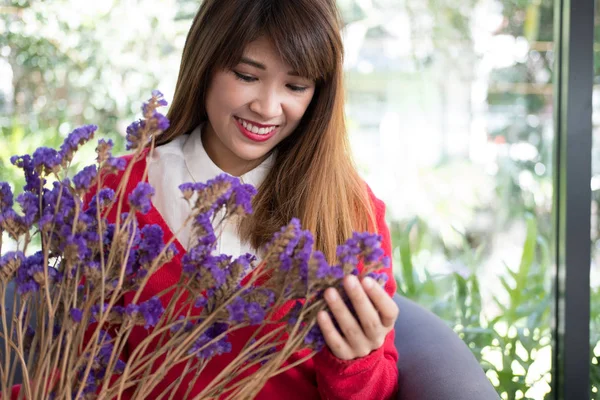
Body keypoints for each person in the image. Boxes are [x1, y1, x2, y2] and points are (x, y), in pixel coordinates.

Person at [6, 0, 399, 399]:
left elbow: (377, 388)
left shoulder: (349, 212)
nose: (266, 107)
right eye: (247, 76)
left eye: (295, 86)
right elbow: (85, 372)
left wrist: (357, 361)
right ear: (205, 63)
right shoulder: (115, 193)